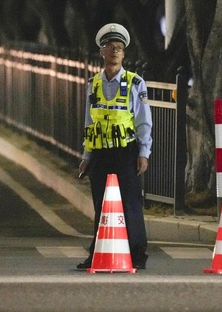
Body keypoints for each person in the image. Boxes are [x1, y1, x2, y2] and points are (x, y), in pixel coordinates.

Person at [76, 23, 152, 270]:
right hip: (100, 153)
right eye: (110, 47)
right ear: (102, 52)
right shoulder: (93, 83)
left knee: (130, 204)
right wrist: (86, 155)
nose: (115, 51)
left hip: (125, 152)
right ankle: (97, 253)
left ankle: (137, 255)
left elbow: (143, 121)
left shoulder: (135, 83)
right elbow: (89, 121)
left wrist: (144, 153)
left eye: (119, 48)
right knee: (101, 206)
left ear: (124, 54)